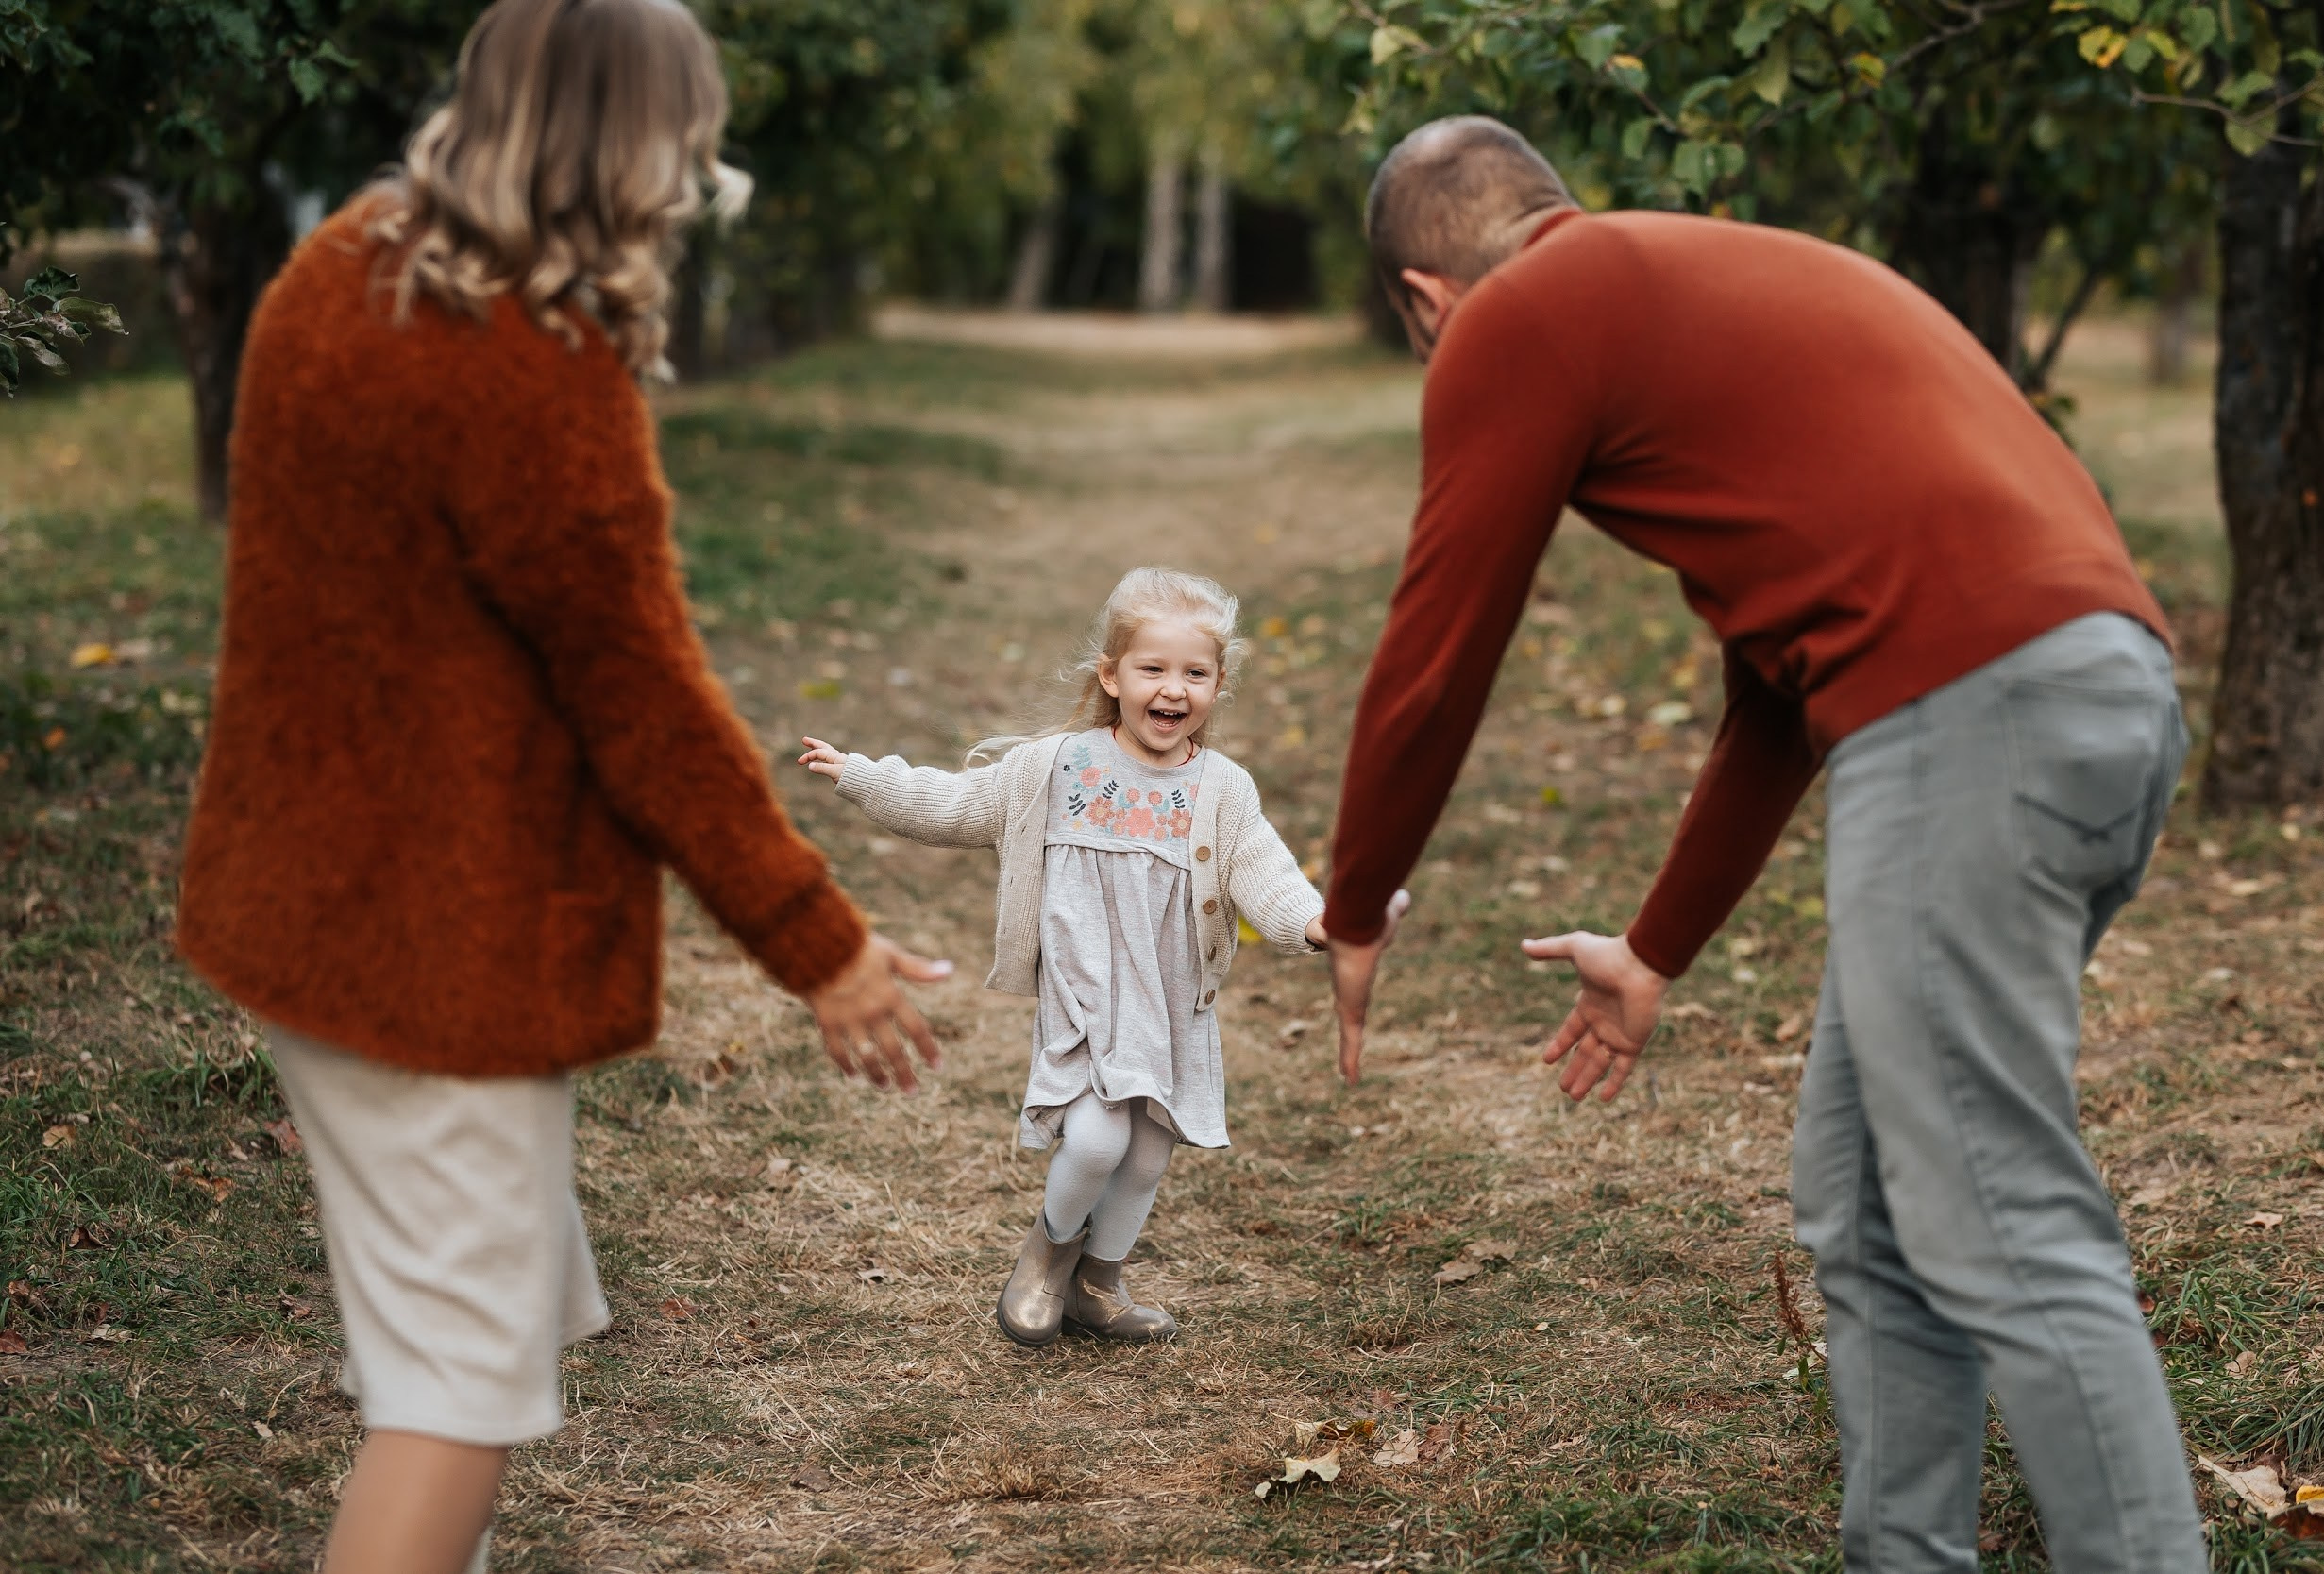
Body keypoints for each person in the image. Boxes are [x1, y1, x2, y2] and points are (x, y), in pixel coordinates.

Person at [1320, 116, 2202, 1573]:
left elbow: (1439, 641)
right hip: (2101, 697)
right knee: (1865, 1194)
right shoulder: (1689, 283)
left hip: (1971, 716)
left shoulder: (1521, 309)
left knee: (1994, 1202)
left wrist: (1357, 898)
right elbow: (1776, 705)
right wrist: (1655, 948)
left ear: (1424, 298)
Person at [174, 4, 948, 1570]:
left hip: (301, 905)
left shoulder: (339, 265)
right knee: (459, 1390)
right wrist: (822, 943)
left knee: (485, 1321)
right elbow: (643, 700)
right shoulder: (529, 360)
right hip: (424, 954)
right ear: (636, 147)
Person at [802, 567, 1406, 1346]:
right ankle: (1044, 1260)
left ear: (1219, 686)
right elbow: (952, 804)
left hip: (1168, 995)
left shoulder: (1221, 789)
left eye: (1195, 673)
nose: (1173, 688)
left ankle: (1099, 1283)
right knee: (1095, 1138)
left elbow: (1265, 873)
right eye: (1153, 668)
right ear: (1112, 674)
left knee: (1149, 1154)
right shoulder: (1055, 767)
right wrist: (861, 776)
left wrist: (1324, 926)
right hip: (1088, 988)